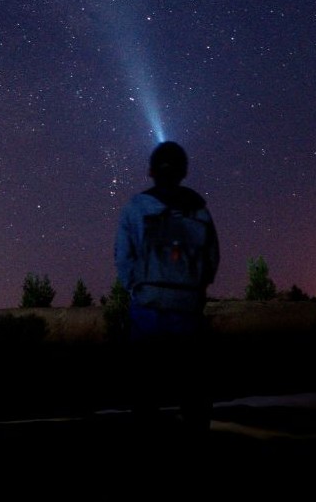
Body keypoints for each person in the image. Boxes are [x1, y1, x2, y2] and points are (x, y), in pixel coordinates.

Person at [114, 141, 220, 434]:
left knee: (146, 384)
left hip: (148, 308)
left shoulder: (136, 207)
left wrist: (136, 287)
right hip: (187, 308)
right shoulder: (199, 210)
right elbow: (212, 257)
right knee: (191, 382)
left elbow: (123, 257)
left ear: (150, 170)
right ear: (184, 171)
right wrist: (195, 289)